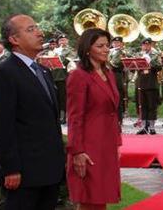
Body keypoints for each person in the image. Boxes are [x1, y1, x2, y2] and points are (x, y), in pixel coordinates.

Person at [0, 14, 65, 210]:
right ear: (14, 39)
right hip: (25, 174)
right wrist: (11, 168)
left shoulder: (43, 71)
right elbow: (1, 125)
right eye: (30, 30)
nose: (40, 33)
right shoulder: (5, 73)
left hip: (50, 170)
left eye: (37, 28)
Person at [65, 28, 122, 209]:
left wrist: (116, 142)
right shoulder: (79, 76)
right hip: (89, 146)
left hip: (107, 144)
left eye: (107, 45)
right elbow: (75, 117)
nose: (106, 49)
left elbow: (112, 111)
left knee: (101, 197)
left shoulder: (109, 74)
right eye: (100, 46)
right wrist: (77, 151)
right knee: (90, 198)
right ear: (87, 49)